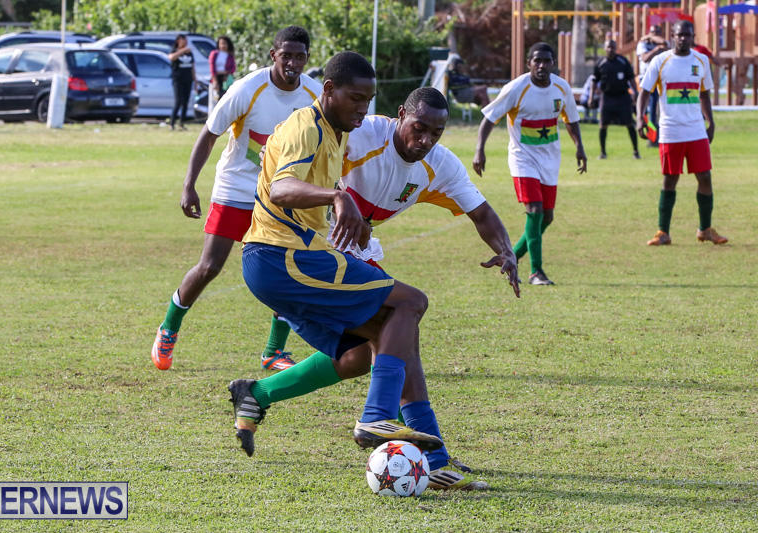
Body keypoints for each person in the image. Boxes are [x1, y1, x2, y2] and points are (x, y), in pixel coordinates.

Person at [229, 52, 505, 492]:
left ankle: (258, 394)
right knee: (409, 305)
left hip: (301, 256)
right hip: (285, 256)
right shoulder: (321, 128)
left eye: (367, 100)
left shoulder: (339, 131)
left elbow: (482, 211)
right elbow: (281, 187)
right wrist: (338, 198)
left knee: (368, 349)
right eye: (356, 99)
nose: (362, 109)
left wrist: (506, 251)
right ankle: (380, 421)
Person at [151, 26, 322, 371]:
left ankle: (273, 351)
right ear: (273, 55)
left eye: (299, 56)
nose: (292, 62)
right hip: (237, 188)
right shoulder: (247, 88)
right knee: (210, 267)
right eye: (286, 55)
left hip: (280, 194)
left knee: (289, 270)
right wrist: (189, 185)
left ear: (307, 58)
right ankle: (168, 328)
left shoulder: (314, 94)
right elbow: (209, 134)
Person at [473, 42, 587, 286]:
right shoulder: (517, 88)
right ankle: (537, 272)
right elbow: (490, 118)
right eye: (537, 61)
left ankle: (511, 257)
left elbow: (571, 119)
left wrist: (580, 146)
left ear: (553, 63)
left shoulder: (561, 87)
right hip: (522, 158)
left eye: (547, 61)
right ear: (529, 64)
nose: (542, 65)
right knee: (534, 210)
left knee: (547, 217)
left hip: (550, 159)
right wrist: (479, 150)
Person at [637, 20, 728, 246]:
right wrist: (640, 118)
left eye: (687, 35)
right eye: (679, 35)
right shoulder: (660, 61)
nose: (683, 39)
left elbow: (704, 94)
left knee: (705, 177)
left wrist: (710, 121)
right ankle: (663, 232)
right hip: (670, 130)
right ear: (673, 36)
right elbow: (644, 92)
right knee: (670, 179)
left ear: (693, 37)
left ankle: (705, 229)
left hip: (696, 129)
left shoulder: (701, 60)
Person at [592, 40, 640, 160]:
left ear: (616, 48)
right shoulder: (600, 63)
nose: (610, 49)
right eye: (608, 47)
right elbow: (594, 81)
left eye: (612, 47)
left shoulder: (623, 61)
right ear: (605, 48)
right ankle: (603, 152)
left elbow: (631, 78)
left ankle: (636, 151)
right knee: (603, 124)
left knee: (629, 123)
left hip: (623, 97)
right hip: (606, 97)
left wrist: (635, 92)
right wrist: (591, 97)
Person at [637, 25, 669, 147]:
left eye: (657, 32)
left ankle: (655, 137)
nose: (655, 34)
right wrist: (656, 49)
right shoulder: (643, 44)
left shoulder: (663, 44)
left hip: (659, 81)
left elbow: (666, 45)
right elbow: (645, 58)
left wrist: (658, 43)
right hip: (646, 80)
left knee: (656, 111)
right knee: (647, 110)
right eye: (653, 32)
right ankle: (651, 137)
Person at [168, 34, 196, 131]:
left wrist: (195, 80)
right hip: (178, 80)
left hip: (188, 80)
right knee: (178, 101)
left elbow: (192, 67)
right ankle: (172, 123)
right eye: (183, 39)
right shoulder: (174, 51)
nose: (185, 42)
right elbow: (171, 57)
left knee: (185, 102)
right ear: (178, 40)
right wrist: (183, 51)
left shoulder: (189, 53)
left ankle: (182, 123)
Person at [209, 35, 237, 101]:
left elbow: (233, 68)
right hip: (216, 77)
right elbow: (212, 67)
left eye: (225, 43)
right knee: (215, 98)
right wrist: (215, 81)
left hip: (226, 79)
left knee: (225, 98)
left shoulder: (230, 55)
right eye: (221, 44)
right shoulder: (214, 54)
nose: (223, 46)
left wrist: (226, 73)